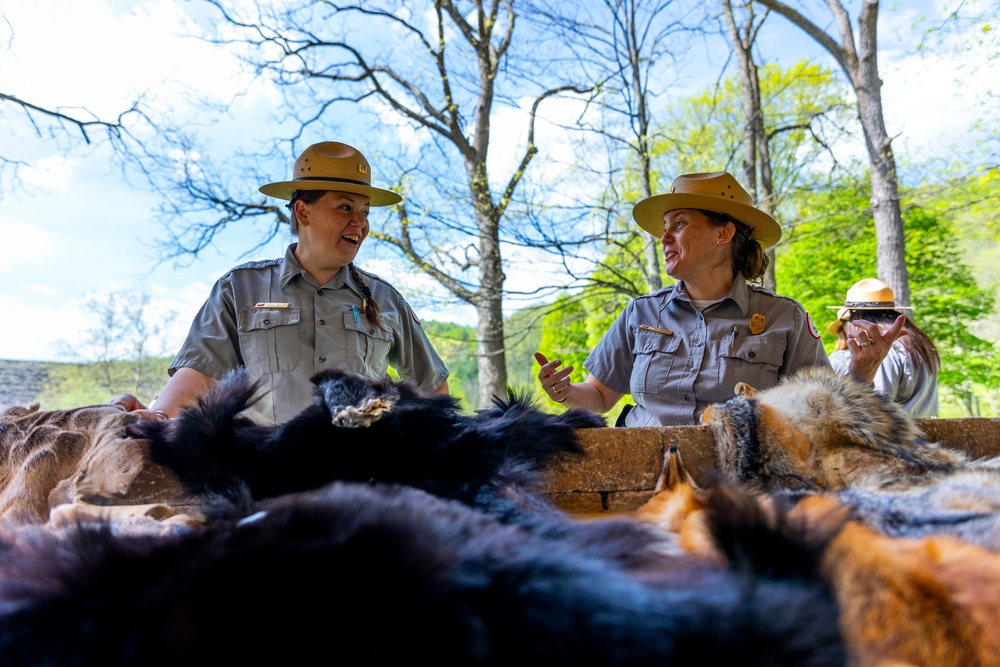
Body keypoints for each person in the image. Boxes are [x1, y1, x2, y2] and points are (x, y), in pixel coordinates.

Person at [113, 141, 449, 424]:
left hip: (362, 485)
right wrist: (159, 417)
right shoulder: (240, 290)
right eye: (345, 207)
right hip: (262, 478)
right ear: (303, 212)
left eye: (365, 211)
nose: (359, 223)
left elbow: (432, 391)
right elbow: (200, 374)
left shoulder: (386, 300)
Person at [534, 171, 903, 427]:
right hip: (640, 469)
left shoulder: (782, 317)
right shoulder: (640, 313)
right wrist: (565, 392)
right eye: (664, 228)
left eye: (679, 224)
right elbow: (599, 396)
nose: (664, 239)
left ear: (723, 232)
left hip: (738, 481)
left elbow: (823, 410)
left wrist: (862, 371)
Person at [827, 278, 940, 418]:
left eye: (848, 319)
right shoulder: (920, 345)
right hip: (925, 433)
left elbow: (876, 407)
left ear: (858, 319)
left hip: (896, 438)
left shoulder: (881, 350)